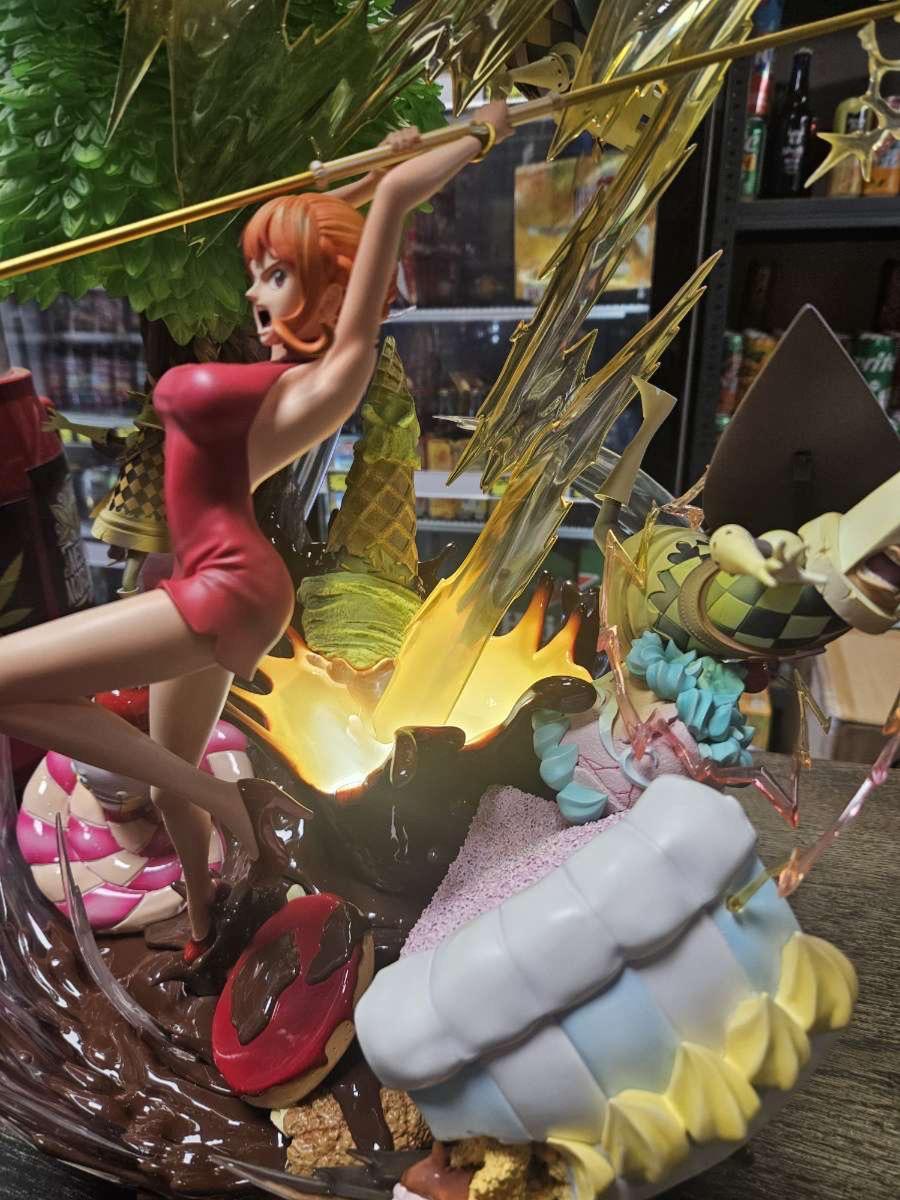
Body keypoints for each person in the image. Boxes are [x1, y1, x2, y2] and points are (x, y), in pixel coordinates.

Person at [0, 100, 514, 946]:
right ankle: (205, 929)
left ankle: (225, 799)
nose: (252, 289)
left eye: (274, 276)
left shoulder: (321, 386)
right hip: (209, 579)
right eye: (260, 271)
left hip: (224, 587)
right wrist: (365, 172)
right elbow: (344, 217)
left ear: (328, 292)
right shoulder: (275, 377)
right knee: (164, 777)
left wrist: (475, 135)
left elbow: (386, 216)